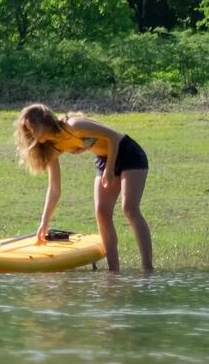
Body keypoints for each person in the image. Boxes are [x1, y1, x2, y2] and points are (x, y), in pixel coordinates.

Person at [14, 103, 154, 272]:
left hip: (128, 152)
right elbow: (55, 188)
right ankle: (114, 272)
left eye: (34, 128)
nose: (32, 134)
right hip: (104, 158)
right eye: (28, 131)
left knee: (129, 208)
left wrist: (109, 170)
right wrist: (45, 221)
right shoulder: (52, 148)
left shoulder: (73, 125)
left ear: (45, 122)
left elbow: (113, 138)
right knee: (101, 212)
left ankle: (148, 269)